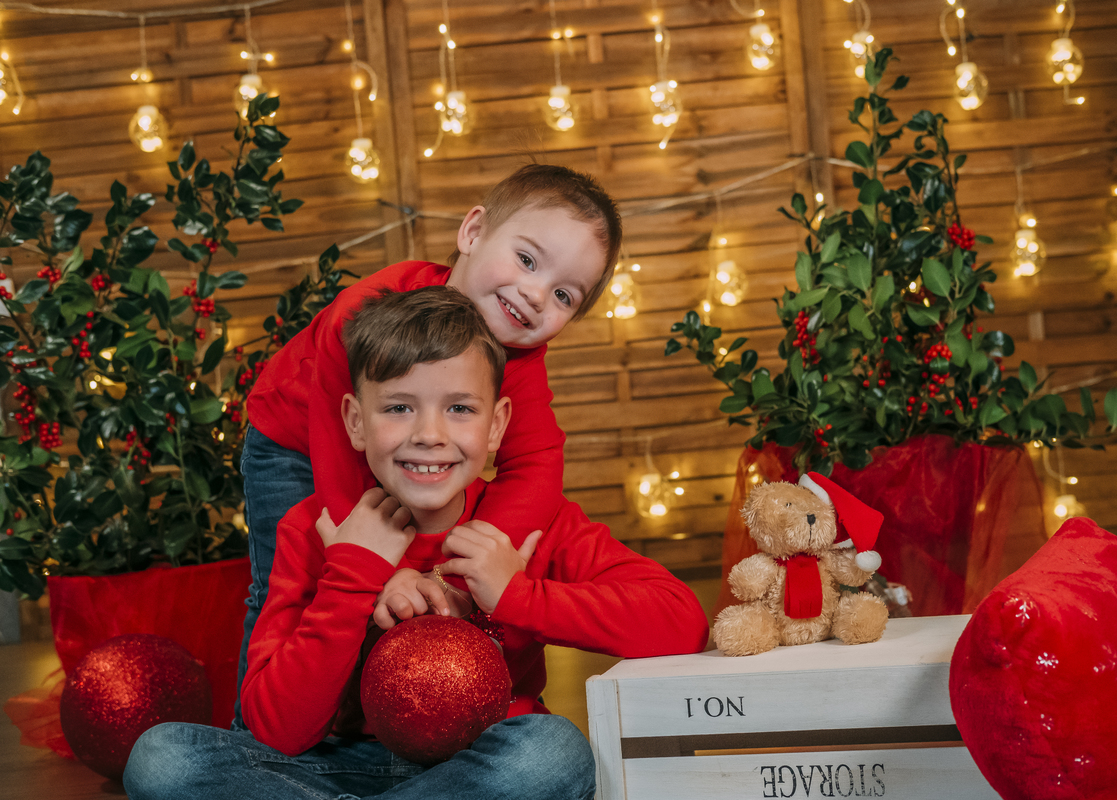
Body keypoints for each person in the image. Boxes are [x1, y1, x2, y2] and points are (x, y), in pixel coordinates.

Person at [123, 286, 709, 800]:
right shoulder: (316, 528)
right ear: (355, 421)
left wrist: (514, 594)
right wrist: (354, 574)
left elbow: (681, 621)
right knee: (162, 757)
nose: (429, 436)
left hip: (479, 769)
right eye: (399, 408)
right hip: (327, 768)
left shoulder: (533, 528)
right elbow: (276, 728)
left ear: (498, 424)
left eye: (459, 409)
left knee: (553, 751)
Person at [234, 164, 623, 716]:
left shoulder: (520, 355)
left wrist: (474, 560)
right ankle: (258, 736)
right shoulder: (362, 316)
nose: (535, 294)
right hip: (298, 440)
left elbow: (535, 461)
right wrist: (381, 569)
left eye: (564, 295)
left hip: (400, 446)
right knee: (286, 586)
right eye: (527, 260)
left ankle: (401, 720)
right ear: (472, 233)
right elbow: (337, 466)